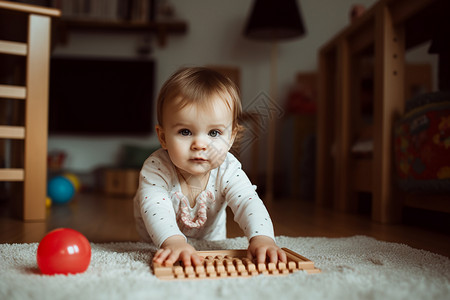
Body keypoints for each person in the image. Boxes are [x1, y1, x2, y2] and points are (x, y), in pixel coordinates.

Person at [134, 66, 286, 267]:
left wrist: (263, 238)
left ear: (231, 138)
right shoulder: (156, 168)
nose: (200, 145)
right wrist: (173, 241)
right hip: (160, 238)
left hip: (210, 239)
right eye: (185, 132)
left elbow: (248, 202)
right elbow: (155, 206)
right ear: (163, 137)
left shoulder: (228, 169)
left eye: (214, 133)